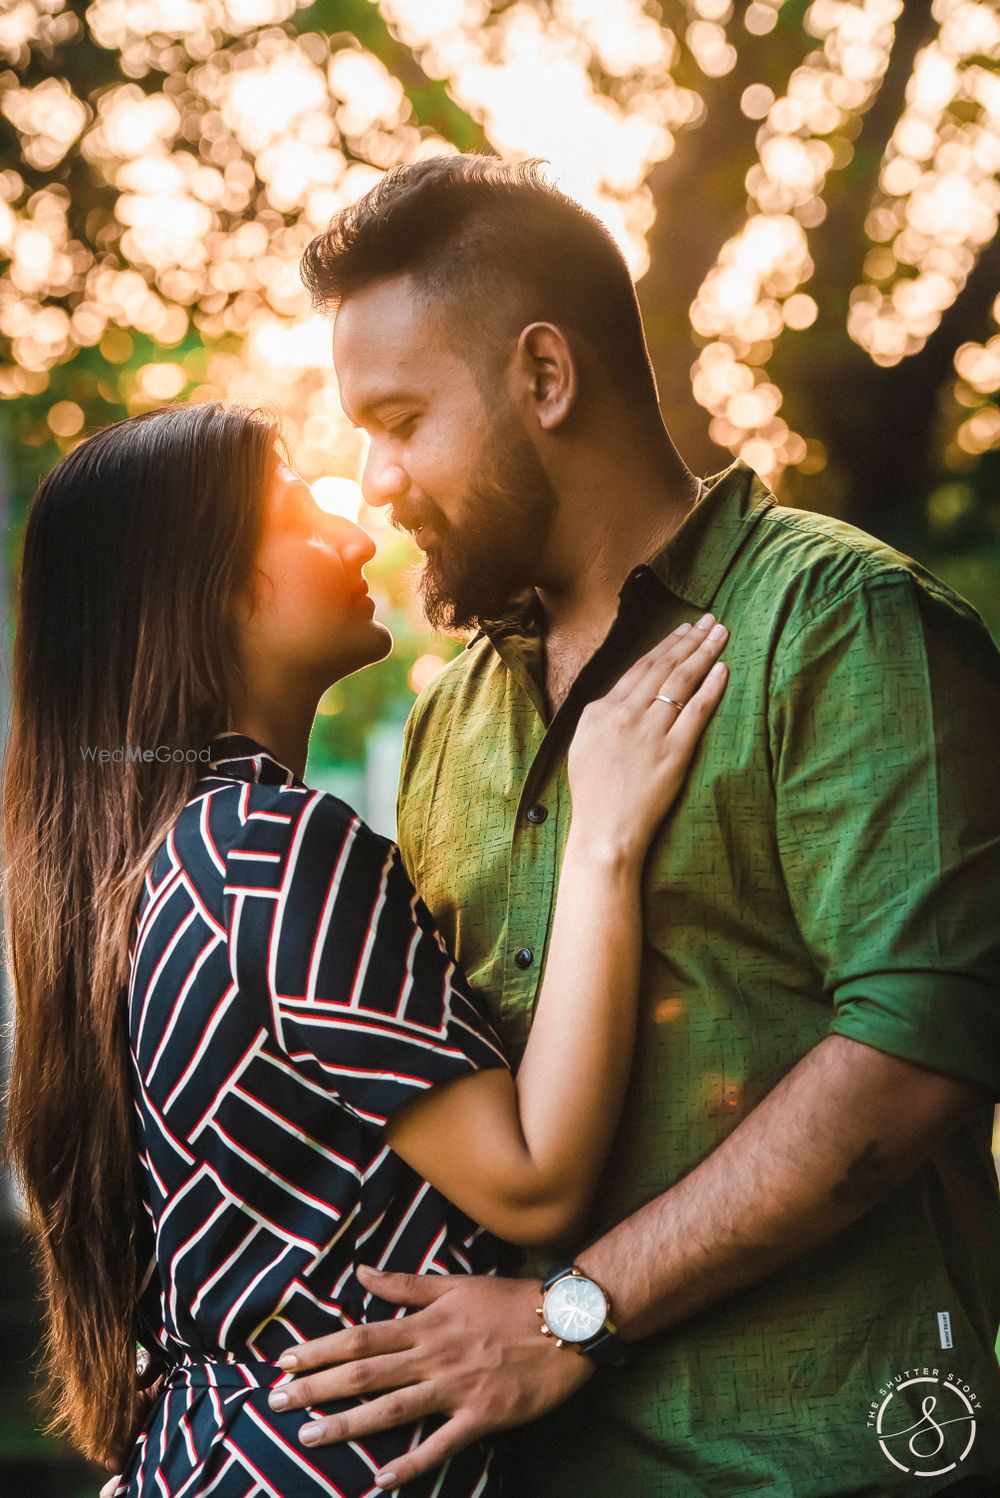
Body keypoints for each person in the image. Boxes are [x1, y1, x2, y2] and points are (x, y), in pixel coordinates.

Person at [269, 155, 1000, 1495]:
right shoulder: (453, 719)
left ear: (545, 377)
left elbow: (919, 1048)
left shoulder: (836, 622)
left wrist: (572, 1313)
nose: (371, 479)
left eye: (399, 417)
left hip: (816, 1460)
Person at [2, 401, 730, 1497]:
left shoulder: (133, 869)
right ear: (203, 589)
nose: (353, 535)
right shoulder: (268, 847)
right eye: (299, 519)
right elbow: (531, 1185)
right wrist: (605, 838)